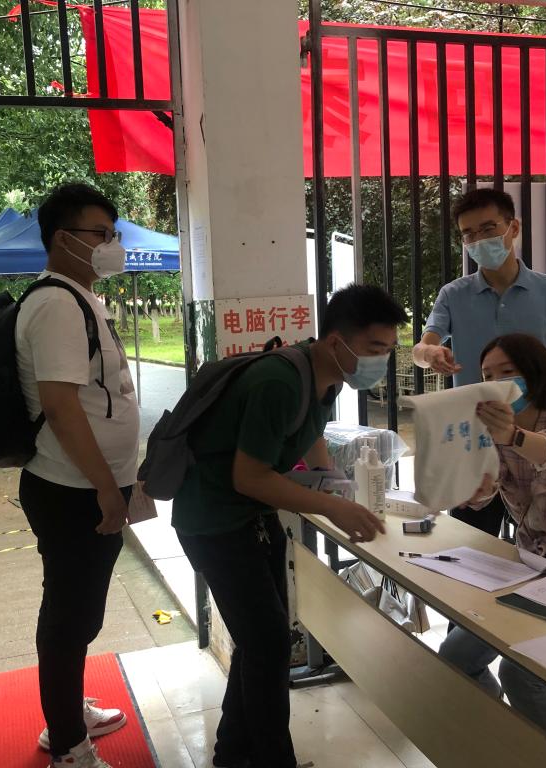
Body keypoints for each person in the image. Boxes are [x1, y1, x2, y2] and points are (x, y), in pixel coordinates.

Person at [172, 283, 405, 768]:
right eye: (375, 348)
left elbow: (309, 435)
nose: (380, 360)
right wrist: (332, 508)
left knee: (263, 640)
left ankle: (232, 755)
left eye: (388, 349)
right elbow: (250, 477)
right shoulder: (278, 382)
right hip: (213, 521)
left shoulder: (326, 376)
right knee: (269, 643)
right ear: (337, 340)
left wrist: (335, 484)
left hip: (250, 518)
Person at [438, 333, 546, 751]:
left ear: (535, 376)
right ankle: (507, 736)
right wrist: (471, 487)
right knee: (455, 656)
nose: (496, 382)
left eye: (507, 372)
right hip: (531, 570)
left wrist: (511, 436)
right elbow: (485, 488)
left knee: (522, 674)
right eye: (487, 375)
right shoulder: (493, 438)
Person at [16, 183, 138, 768]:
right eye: (100, 234)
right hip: (73, 489)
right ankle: (67, 742)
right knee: (69, 617)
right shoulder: (57, 304)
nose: (111, 244)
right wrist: (107, 488)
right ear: (63, 239)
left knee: (80, 612)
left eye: (113, 234)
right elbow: (62, 407)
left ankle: (68, 712)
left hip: (87, 485)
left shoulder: (82, 298)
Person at [412, 188, 546, 537]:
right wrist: (430, 353)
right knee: (470, 542)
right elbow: (422, 349)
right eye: (468, 234)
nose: (479, 240)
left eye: (488, 228)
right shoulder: (453, 295)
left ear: (513, 228)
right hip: (474, 438)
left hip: (537, 436)